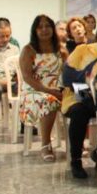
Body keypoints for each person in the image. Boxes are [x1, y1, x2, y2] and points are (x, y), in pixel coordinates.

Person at [61, 18, 97, 178]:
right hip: (75, 95)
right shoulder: (83, 49)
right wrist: (85, 85)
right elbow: (67, 77)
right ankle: (76, 160)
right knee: (80, 111)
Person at [18, 15, 64, 162]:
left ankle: (77, 146)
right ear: (35, 30)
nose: (44, 30)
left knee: (79, 103)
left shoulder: (61, 50)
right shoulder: (28, 50)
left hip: (58, 90)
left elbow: (69, 71)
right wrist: (50, 91)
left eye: (48, 26)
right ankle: (45, 144)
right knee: (49, 101)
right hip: (34, 92)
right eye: (40, 27)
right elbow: (27, 78)